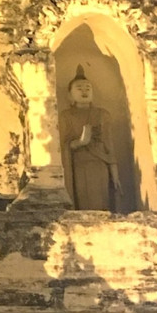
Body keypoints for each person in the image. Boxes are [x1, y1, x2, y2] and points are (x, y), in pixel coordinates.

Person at [58, 65, 121, 211]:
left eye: (88, 88)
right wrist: (80, 142)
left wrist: (114, 173)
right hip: (79, 165)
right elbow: (63, 146)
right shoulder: (66, 116)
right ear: (70, 95)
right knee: (84, 199)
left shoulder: (102, 114)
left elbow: (109, 145)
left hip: (100, 165)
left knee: (102, 200)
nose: (84, 91)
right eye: (79, 88)